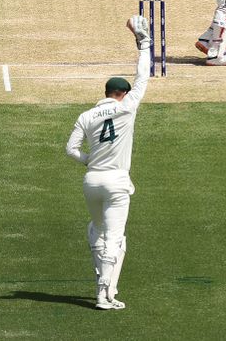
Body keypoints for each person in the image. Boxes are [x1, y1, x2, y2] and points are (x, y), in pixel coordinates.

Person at [65, 16, 152, 310]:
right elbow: (143, 77)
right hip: (116, 181)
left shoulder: (86, 116)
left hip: (92, 181)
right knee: (114, 238)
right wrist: (144, 44)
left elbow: (71, 149)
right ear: (122, 94)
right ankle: (103, 292)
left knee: (97, 230)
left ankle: (107, 283)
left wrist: (91, 159)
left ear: (105, 94)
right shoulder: (128, 108)